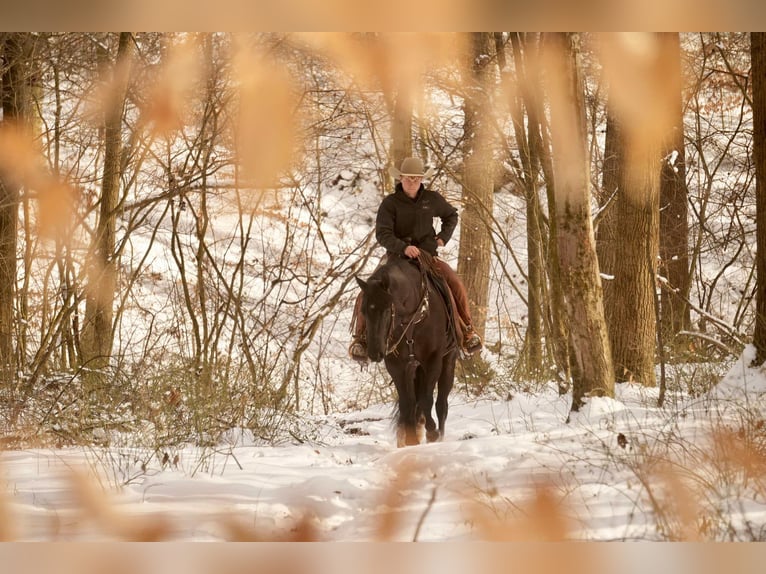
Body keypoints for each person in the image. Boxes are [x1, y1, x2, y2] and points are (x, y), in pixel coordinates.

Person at [349, 156, 482, 363]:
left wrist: (442, 238)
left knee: (454, 283)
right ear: (400, 178)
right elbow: (382, 234)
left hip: (427, 256)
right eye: (408, 178)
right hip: (395, 258)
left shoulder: (432, 199)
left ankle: (467, 331)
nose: (412, 182)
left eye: (416, 178)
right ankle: (361, 339)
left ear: (421, 179)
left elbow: (451, 215)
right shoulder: (390, 204)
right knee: (367, 290)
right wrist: (404, 247)